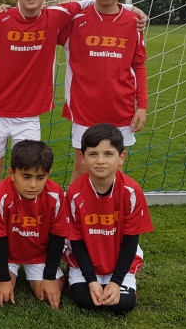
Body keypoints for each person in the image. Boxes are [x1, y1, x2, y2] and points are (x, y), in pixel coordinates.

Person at [0, 0, 145, 207]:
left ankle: (30, 221)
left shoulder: (57, 16)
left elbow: (89, 3)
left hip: (31, 114)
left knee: (31, 170)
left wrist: (129, 8)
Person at [58, 0, 148, 183]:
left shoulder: (133, 23)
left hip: (122, 110)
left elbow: (138, 65)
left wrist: (142, 105)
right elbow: (42, 18)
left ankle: (110, 207)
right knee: (81, 168)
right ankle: (75, 207)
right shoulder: (75, 21)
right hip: (84, 110)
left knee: (114, 171)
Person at [63, 123, 154, 314]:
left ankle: (120, 281)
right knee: (85, 300)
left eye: (108, 154)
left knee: (123, 304)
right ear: (82, 157)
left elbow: (131, 240)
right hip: (86, 261)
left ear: (121, 157)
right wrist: (91, 279)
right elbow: (75, 240)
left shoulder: (131, 191)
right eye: (93, 154)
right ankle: (80, 276)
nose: (100, 161)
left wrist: (116, 281)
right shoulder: (74, 193)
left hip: (118, 261)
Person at [0, 140, 67, 310]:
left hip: (39, 255)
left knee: (46, 295)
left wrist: (50, 277)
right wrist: (4, 279)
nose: (33, 185)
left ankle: (47, 274)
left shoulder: (55, 194)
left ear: (48, 173)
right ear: (12, 173)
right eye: (26, 177)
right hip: (6, 254)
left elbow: (58, 237)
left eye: (40, 177)